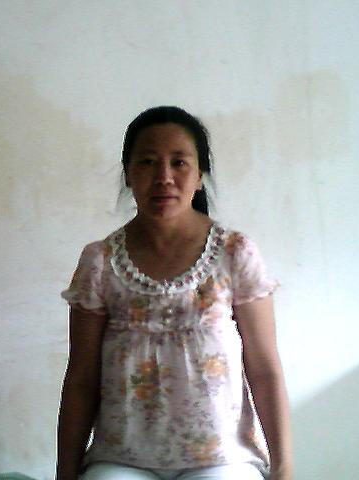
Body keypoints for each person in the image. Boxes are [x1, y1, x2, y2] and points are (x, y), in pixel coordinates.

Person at [56, 106, 292, 480]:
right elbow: (81, 378)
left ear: (199, 176)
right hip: (121, 456)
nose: (163, 177)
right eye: (147, 162)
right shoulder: (101, 262)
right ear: (128, 174)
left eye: (179, 163)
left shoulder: (234, 253)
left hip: (220, 456)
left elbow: (264, 369)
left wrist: (283, 466)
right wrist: (66, 471)